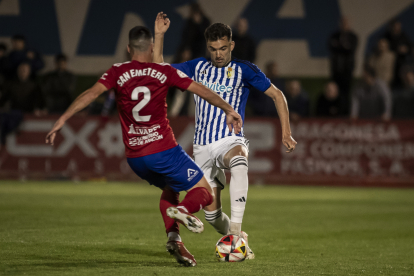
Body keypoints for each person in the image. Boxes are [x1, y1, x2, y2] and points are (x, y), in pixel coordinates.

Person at [45, 15, 243, 267]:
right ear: (151, 48)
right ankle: (183, 212)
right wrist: (228, 108)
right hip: (164, 150)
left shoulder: (117, 71)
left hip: (136, 158)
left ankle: (174, 239)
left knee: (170, 189)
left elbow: (91, 93)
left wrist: (62, 119)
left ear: (129, 48)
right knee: (204, 192)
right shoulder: (163, 71)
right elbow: (201, 90)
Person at [153, 16, 297, 260]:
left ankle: (236, 232)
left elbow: (277, 95)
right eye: (212, 49)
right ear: (207, 47)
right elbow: (159, 69)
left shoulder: (245, 70)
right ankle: (239, 239)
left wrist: (286, 132)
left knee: (240, 160)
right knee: (211, 215)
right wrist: (159, 35)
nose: (217, 54)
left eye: (222, 48)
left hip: (230, 139)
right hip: (202, 147)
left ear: (231, 45)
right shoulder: (197, 67)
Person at [328, 17, 358, 114]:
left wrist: (339, 46)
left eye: (346, 23)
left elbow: (350, 49)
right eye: (342, 23)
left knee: (346, 93)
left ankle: (345, 113)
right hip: (336, 71)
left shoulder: (353, 37)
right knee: (334, 93)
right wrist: (343, 46)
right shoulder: (334, 35)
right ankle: (335, 113)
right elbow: (331, 46)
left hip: (347, 71)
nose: (344, 25)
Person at [383, 19, 413, 89]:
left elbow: (409, 46)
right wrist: (397, 50)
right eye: (396, 26)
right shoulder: (387, 36)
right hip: (390, 64)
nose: (397, 28)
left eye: (399, 26)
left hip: (401, 64)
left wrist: (405, 49)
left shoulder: (403, 35)